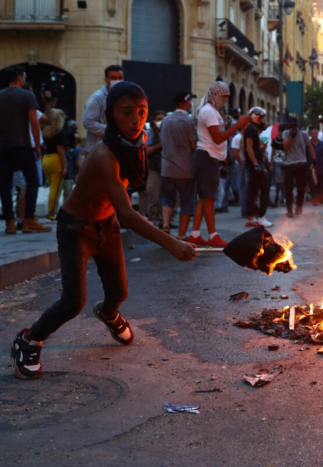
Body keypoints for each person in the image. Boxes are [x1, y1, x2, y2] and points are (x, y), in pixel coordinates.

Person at [10, 82, 197, 380]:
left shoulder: (136, 141)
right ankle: (28, 340)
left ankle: (109, 313)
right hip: (76, 228)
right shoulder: (103, 156)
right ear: (110, 115)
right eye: (127, 113)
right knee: (73, 302)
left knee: (119, 291)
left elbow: (123, 204)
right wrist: (171, 243)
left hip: (107, 227)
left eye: (142, 112)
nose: (136, 120)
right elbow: (127, 212)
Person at [188, 81, 250, 247]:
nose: (224, 101)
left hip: (207, 156)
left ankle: (195, 233)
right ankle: (212, 235)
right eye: (223, 97)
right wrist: (238, 124)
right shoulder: (208, 111)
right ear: (215, 95)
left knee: (204, 197)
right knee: (209, 198)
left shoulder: (208, 110)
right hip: (207, 157)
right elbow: (218, 138)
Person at [0, 66, 52, 234]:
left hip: (3, 148)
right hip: (23, 146)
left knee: (5, 185)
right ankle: (29, 219)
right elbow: (35, 123)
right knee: (33, 181)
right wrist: (37, 145)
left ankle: (10, 222)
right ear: (20, 78)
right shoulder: (27, 95)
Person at [160, 91, 198, 239]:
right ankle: (181, 236)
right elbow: (193, 145)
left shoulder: (166, 119)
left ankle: (165, 224)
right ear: (186, 102)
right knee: (187, 203)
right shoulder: (189, 121)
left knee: (167, 199)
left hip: (167, 168)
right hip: (185, 169)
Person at [83, 65, 125, 157]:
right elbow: (88, 122)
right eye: (113, 78)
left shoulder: (124, 98)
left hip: (117, 149)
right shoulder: (96, 98)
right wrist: (113, 131)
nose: (117, 80)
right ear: (106, 80)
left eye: (120, 78)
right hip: (97, 151)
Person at [243, 107, 273, 228]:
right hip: (255, 165)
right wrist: (256, 163)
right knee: (264, 188)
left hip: (254, 164)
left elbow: (252, 148)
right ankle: (261, 217)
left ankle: (251, 217)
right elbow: (248, 148)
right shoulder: (251, 130)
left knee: (253, 190)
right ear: (256, 117)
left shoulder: (252, 130)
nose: (264, 120)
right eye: (262, 117)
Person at [283, 116, 316, 218]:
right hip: (289, 164)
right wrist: (291, 137)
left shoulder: (303, 134)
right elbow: (285, 147)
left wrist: (314, 160)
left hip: (301, 163)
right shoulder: (286, 133)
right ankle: (289, 210)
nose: (293, 127)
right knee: (288, 188)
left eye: (295, 125)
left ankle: (299, 207)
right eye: (291, 125)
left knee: (301, 187)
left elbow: (309, 147)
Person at [41, 104, 68, 221]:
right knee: (55, 189)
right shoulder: (59, 133)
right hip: (55, 160)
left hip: (45, 159)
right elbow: (60, 151)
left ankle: (51, 211)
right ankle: (51, 213)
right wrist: (65, 166)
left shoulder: (46, 133)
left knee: (51, 187)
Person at [145, 110, 165, 226]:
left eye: (162, 119)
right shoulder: (150, 133)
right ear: (153, 121)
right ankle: (152, 219)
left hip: (165, 168)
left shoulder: (166, 132)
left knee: (164, 196)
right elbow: (146, 150)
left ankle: (163, 220)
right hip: (153, 168)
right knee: (153, 195)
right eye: (158, 119)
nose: (160, 122)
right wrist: (159, 145)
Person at [309, 126, 323, 205]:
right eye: (313, 133)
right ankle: (315, 199)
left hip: (321, 166)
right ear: (310, 135)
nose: (315, 135)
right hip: (312, 166)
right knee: (313, 183)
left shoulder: (321, 143)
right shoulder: (308, 144)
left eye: (316, 133)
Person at [62, 131, 81, 202]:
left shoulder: (64, 149)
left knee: (65, 195)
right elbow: (78, 164)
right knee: (68, 195)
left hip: (64, 174)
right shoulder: (74, 151)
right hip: (70, 175)